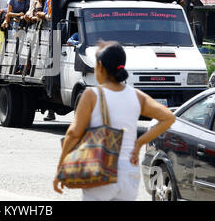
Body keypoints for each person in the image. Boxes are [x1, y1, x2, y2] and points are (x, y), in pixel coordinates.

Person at [53, 41, 175, 201]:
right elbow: (168, 117)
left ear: (101, 67)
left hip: (100, 168)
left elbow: (73, 134)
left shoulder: (92, 95)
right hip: (129, 174)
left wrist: (61, 167)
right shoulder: (136, 96)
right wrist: (139, 143)